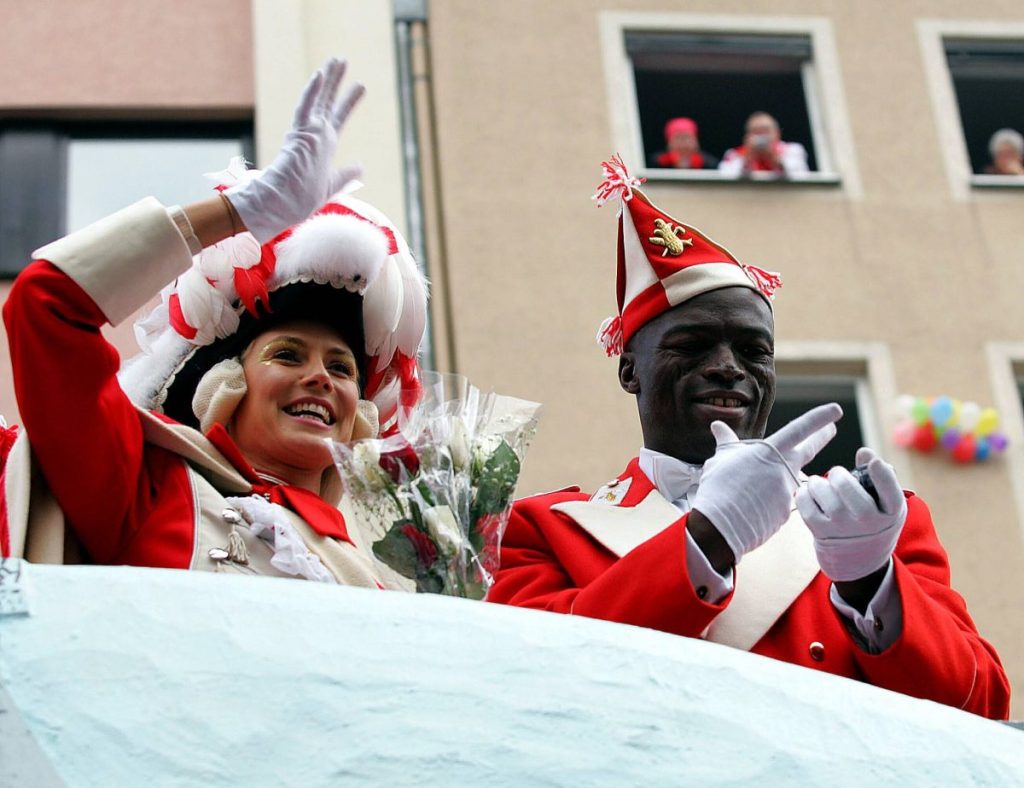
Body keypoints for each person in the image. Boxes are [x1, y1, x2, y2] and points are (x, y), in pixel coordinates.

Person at [488, 156, 1010, 719]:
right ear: (630, 371)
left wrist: (872, 583)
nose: (727, 367)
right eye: (691, 345)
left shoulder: (870, 520)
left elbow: (978, 707)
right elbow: (536, 693)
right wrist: (707, 537)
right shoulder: (544, 528)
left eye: (753, 351)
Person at [1, 58, 428, 588]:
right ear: (224, 385)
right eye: (288, 354)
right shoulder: (147, 487)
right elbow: (46, 303)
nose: (320, 377)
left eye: (341, 368)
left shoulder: (384, 575)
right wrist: (240, 214)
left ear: (359, 417)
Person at [718, 111, 809, 177]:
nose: (761, 136)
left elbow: (801, 176)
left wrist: (774, 159)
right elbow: (724, 180)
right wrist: (748, 159)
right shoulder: (734, 154)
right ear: (747, 136)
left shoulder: (792, 150)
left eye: (765, 131)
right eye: (756, 132)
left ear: (777, 133)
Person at [649, 117, 719, 170]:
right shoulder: (657, 162)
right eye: (679, 138)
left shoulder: (709, 163)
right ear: (669, 142)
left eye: (687, 137)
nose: (684, 143)